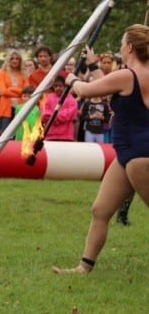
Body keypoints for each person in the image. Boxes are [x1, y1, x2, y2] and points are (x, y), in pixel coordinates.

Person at [53, 24, 149, 274]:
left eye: (121, 43)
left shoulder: (127, 75)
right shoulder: (130, 76)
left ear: (130, 47)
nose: (120, 47)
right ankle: (84, 267)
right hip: (127, 154)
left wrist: (71, 78)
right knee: (101, 209)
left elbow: (85, 91)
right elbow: (109, 88)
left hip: (139, 155)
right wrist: (93, 65)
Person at [0, 50, 27, 131]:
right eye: (12, 58)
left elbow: (26, 92)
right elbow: (3, 92)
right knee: (4, 132)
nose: (15, 60)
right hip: (6, 108)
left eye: (17, 59)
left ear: (20, 61)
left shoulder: (24, 73)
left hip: (20, 107)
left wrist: (11, 89)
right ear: (8, 60)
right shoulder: (2, 72)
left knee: (19, 133)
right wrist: (19, 93)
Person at [41, 75, 78, 141]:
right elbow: (45, 114)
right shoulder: (49, 98)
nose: (58, 88)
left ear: (65, 87)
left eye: (60, 86)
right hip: (51, 135)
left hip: (66, 135)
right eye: (56, 86)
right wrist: (56, 116)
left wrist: (54, 116)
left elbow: (70, 115)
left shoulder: (71, 99)